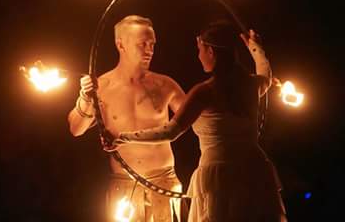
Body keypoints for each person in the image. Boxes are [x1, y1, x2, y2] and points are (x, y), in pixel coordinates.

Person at [106, 21, 287, 221]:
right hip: (254, 169)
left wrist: (123, 138)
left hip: (219, 177)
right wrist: (256, 49)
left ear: (210, 51)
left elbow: (170, 132)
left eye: (200, 49)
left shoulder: (205, 92)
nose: (198, 55)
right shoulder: (251, 84)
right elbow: (266, 76)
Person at [68, 15, 188, 221]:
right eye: (143, 44)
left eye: (152, 44)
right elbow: (76, 129)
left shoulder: (164, 85)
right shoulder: (102, 86)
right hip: (123, 185)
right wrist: (85, 98)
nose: (149, 49)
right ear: (120, 44)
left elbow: (200, 119)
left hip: (163, 182)